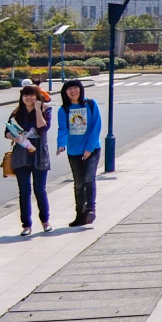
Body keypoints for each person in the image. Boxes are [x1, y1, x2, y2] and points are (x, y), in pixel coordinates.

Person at [4, 83, 53, 236]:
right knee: (24, 191)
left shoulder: (46, 111)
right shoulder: (16, 113)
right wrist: (16, 138)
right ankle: (26, 225)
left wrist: (38, 109)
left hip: (39, 156)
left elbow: (42, 128)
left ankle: (45, 221)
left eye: (31, 94)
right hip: (21, 156)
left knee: (40, 190)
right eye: (25, 95)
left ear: (37, 96)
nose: (28, 97)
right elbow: (6, 132)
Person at [54, 78, 102, 227]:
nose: (73, 91)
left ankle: (90, 209)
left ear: (81, 89)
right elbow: (63, 129)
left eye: (76, 88)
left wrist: (89, 148)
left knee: (89, 178)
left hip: (92, 149)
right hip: (74, 150)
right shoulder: (64, 110)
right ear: (65, 92)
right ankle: (80, 215)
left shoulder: (91, 104)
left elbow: (96, 127)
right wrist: (61, 144)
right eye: (69, 89)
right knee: (79, 183)